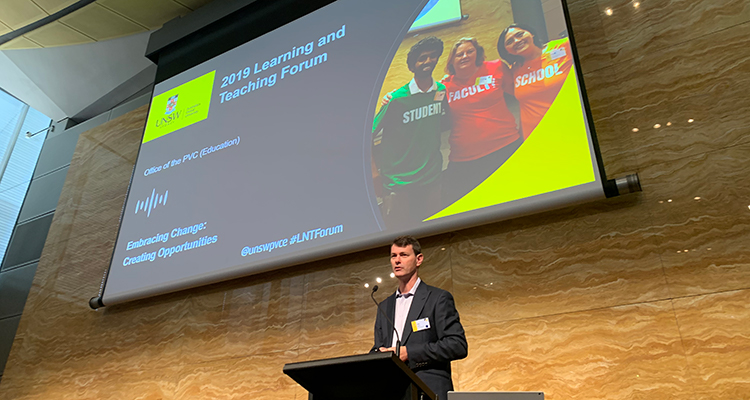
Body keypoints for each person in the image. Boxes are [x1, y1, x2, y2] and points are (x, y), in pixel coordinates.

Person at [371, 236, 468, 400]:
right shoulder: (384, 306)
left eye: (404, 255)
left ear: (419, 259)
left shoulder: (437, 298)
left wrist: (409, 352)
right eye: (393, 256)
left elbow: (457, 345)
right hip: (392, 392)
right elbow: (378, 347)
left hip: (428, 390)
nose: (397, 261)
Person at [372, 36, 451, 229]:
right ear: (412, 66)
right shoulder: (396, 99)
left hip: (431, 176)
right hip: (399, 181)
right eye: (422, 58)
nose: (428, 61)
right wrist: (375, 175)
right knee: (400, 234)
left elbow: (444, 122)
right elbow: (368, 137)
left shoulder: (440, 91)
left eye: (432, 56)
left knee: (435, 230)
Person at [439, 37, 523, 206]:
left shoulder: (496, 67)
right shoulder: (443, 86)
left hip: (506, 146)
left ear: (477, 54)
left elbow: (522, 93)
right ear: (452, 60)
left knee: (516, 198)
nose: (465, 56)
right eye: (459, 54)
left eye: (470, 51)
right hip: (465, 158)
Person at [497, 24, 574, 139]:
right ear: (507, 51)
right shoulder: (514, 69)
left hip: (571, 125)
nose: (517, 41)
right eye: (509, 42)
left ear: (531, 33)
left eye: (520, 34)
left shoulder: (563, 47)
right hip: (536, 136)